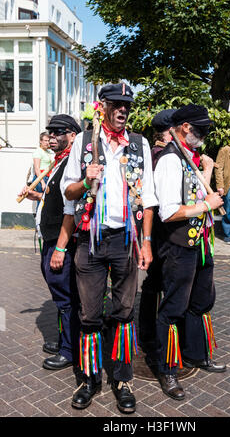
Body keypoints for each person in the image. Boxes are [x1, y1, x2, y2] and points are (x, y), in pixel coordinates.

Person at [63, 83, 157, 413]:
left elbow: (148, 199)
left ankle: (121, 379)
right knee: (89, 314)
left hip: (126, 240)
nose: (122, 110)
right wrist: (85, 181)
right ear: (102, 106)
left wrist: (146, 242)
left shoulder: (139, 144)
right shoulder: (84, 143)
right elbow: (69, 194)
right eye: (116, 104)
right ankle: (90, 379)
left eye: (127, 105)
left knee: (123, 312)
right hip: (90, 238)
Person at [153, 103, 226, 401]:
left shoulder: (188, 157)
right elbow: (168, 212)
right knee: (173, 308)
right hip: (178, 245)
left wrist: (207, 185)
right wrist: (208, 205)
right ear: (185, 128)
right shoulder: (170, 160)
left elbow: (195, 194)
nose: (206, 134)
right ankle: (167, 368)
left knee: (201, 301)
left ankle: (197, 354)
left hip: (200, 243)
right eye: (202, 129)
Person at [18, 115, 82, 370]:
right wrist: (35, 193)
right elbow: (53, 197)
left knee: (65, 295)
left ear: (73, 136)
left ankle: (69, 348)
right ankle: (64, 340)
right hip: (51, 238)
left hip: (60, 240)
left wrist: (60, 248)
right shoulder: (59, 162)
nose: (52, 136)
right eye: (50, 132)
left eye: (59, 131)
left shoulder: (70, 164)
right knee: (60, 294)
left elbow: (71, 210)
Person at [138, 109, 175, 359]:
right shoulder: (160, 156)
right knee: (156, 283)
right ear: (170, 131)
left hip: (159, 228)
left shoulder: (156, 153)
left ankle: (148, 332)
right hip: (162, 229)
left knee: (154, 283)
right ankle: (150, 335)